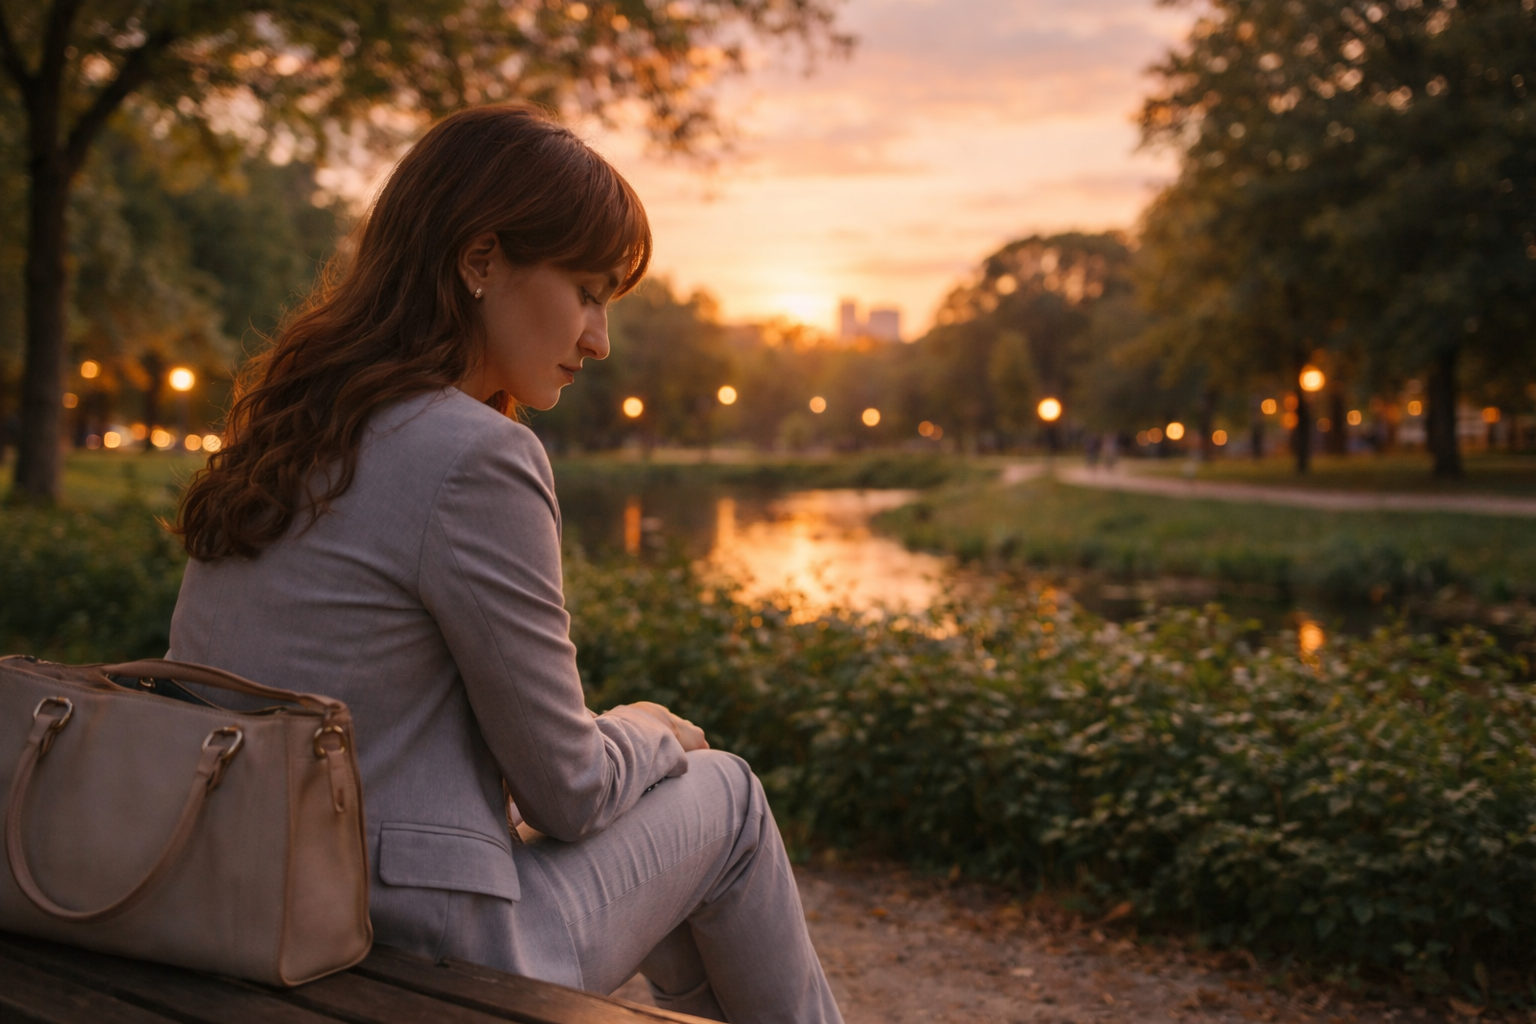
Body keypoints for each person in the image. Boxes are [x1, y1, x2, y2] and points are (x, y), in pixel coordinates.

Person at [168, 104, 842, 1024]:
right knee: (724, 796)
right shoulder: (474, 453)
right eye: (590, 292)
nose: (599, 340)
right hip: (420, 945)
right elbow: (568, 790)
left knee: (673, 824)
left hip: (252, 904)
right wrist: (650, 726)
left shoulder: (293, 424)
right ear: (481, 260)